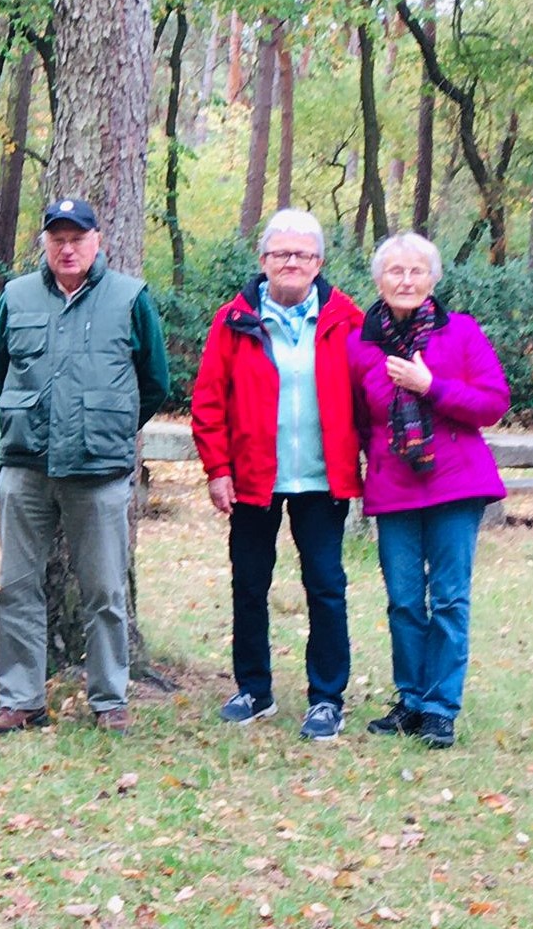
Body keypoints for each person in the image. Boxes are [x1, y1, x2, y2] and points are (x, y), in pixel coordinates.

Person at [0, 197, 169, 735]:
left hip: (99, 470)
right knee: (16, 586)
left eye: (78, 237)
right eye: (57, 237)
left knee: (105, 591)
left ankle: (110, 699)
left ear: (97, 241)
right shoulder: (15, 296)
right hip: (26, 466)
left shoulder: (130, 297)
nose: (67, 247)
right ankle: (21, 699)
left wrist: (106, 423)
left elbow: (153, 381)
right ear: (44, 242)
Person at [190, 209, 363, 741]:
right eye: (281, 254)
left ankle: (327, 698)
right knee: (250, 584)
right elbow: (208, 400)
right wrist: (218, 469)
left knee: (326, 586)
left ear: (319, 263)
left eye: (303, 254)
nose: (292, 262)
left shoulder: (350, 319)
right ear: (263, 261)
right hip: (252, 479)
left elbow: (372, 394)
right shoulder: (233, 319)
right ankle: (254, 689)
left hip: (322, 478)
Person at [349, 232, 510, 751]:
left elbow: (493, 403)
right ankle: (411, 700)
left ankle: (440, 708)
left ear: (433, 279)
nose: (406, 280)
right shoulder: (360, 343)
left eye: (417, 271)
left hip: (456, 486)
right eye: (395, 271)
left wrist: (430, 385)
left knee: (449, 600)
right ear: (378, 280)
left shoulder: (459, 333)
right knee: (402, 603)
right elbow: (355, 419)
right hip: (393, 488)